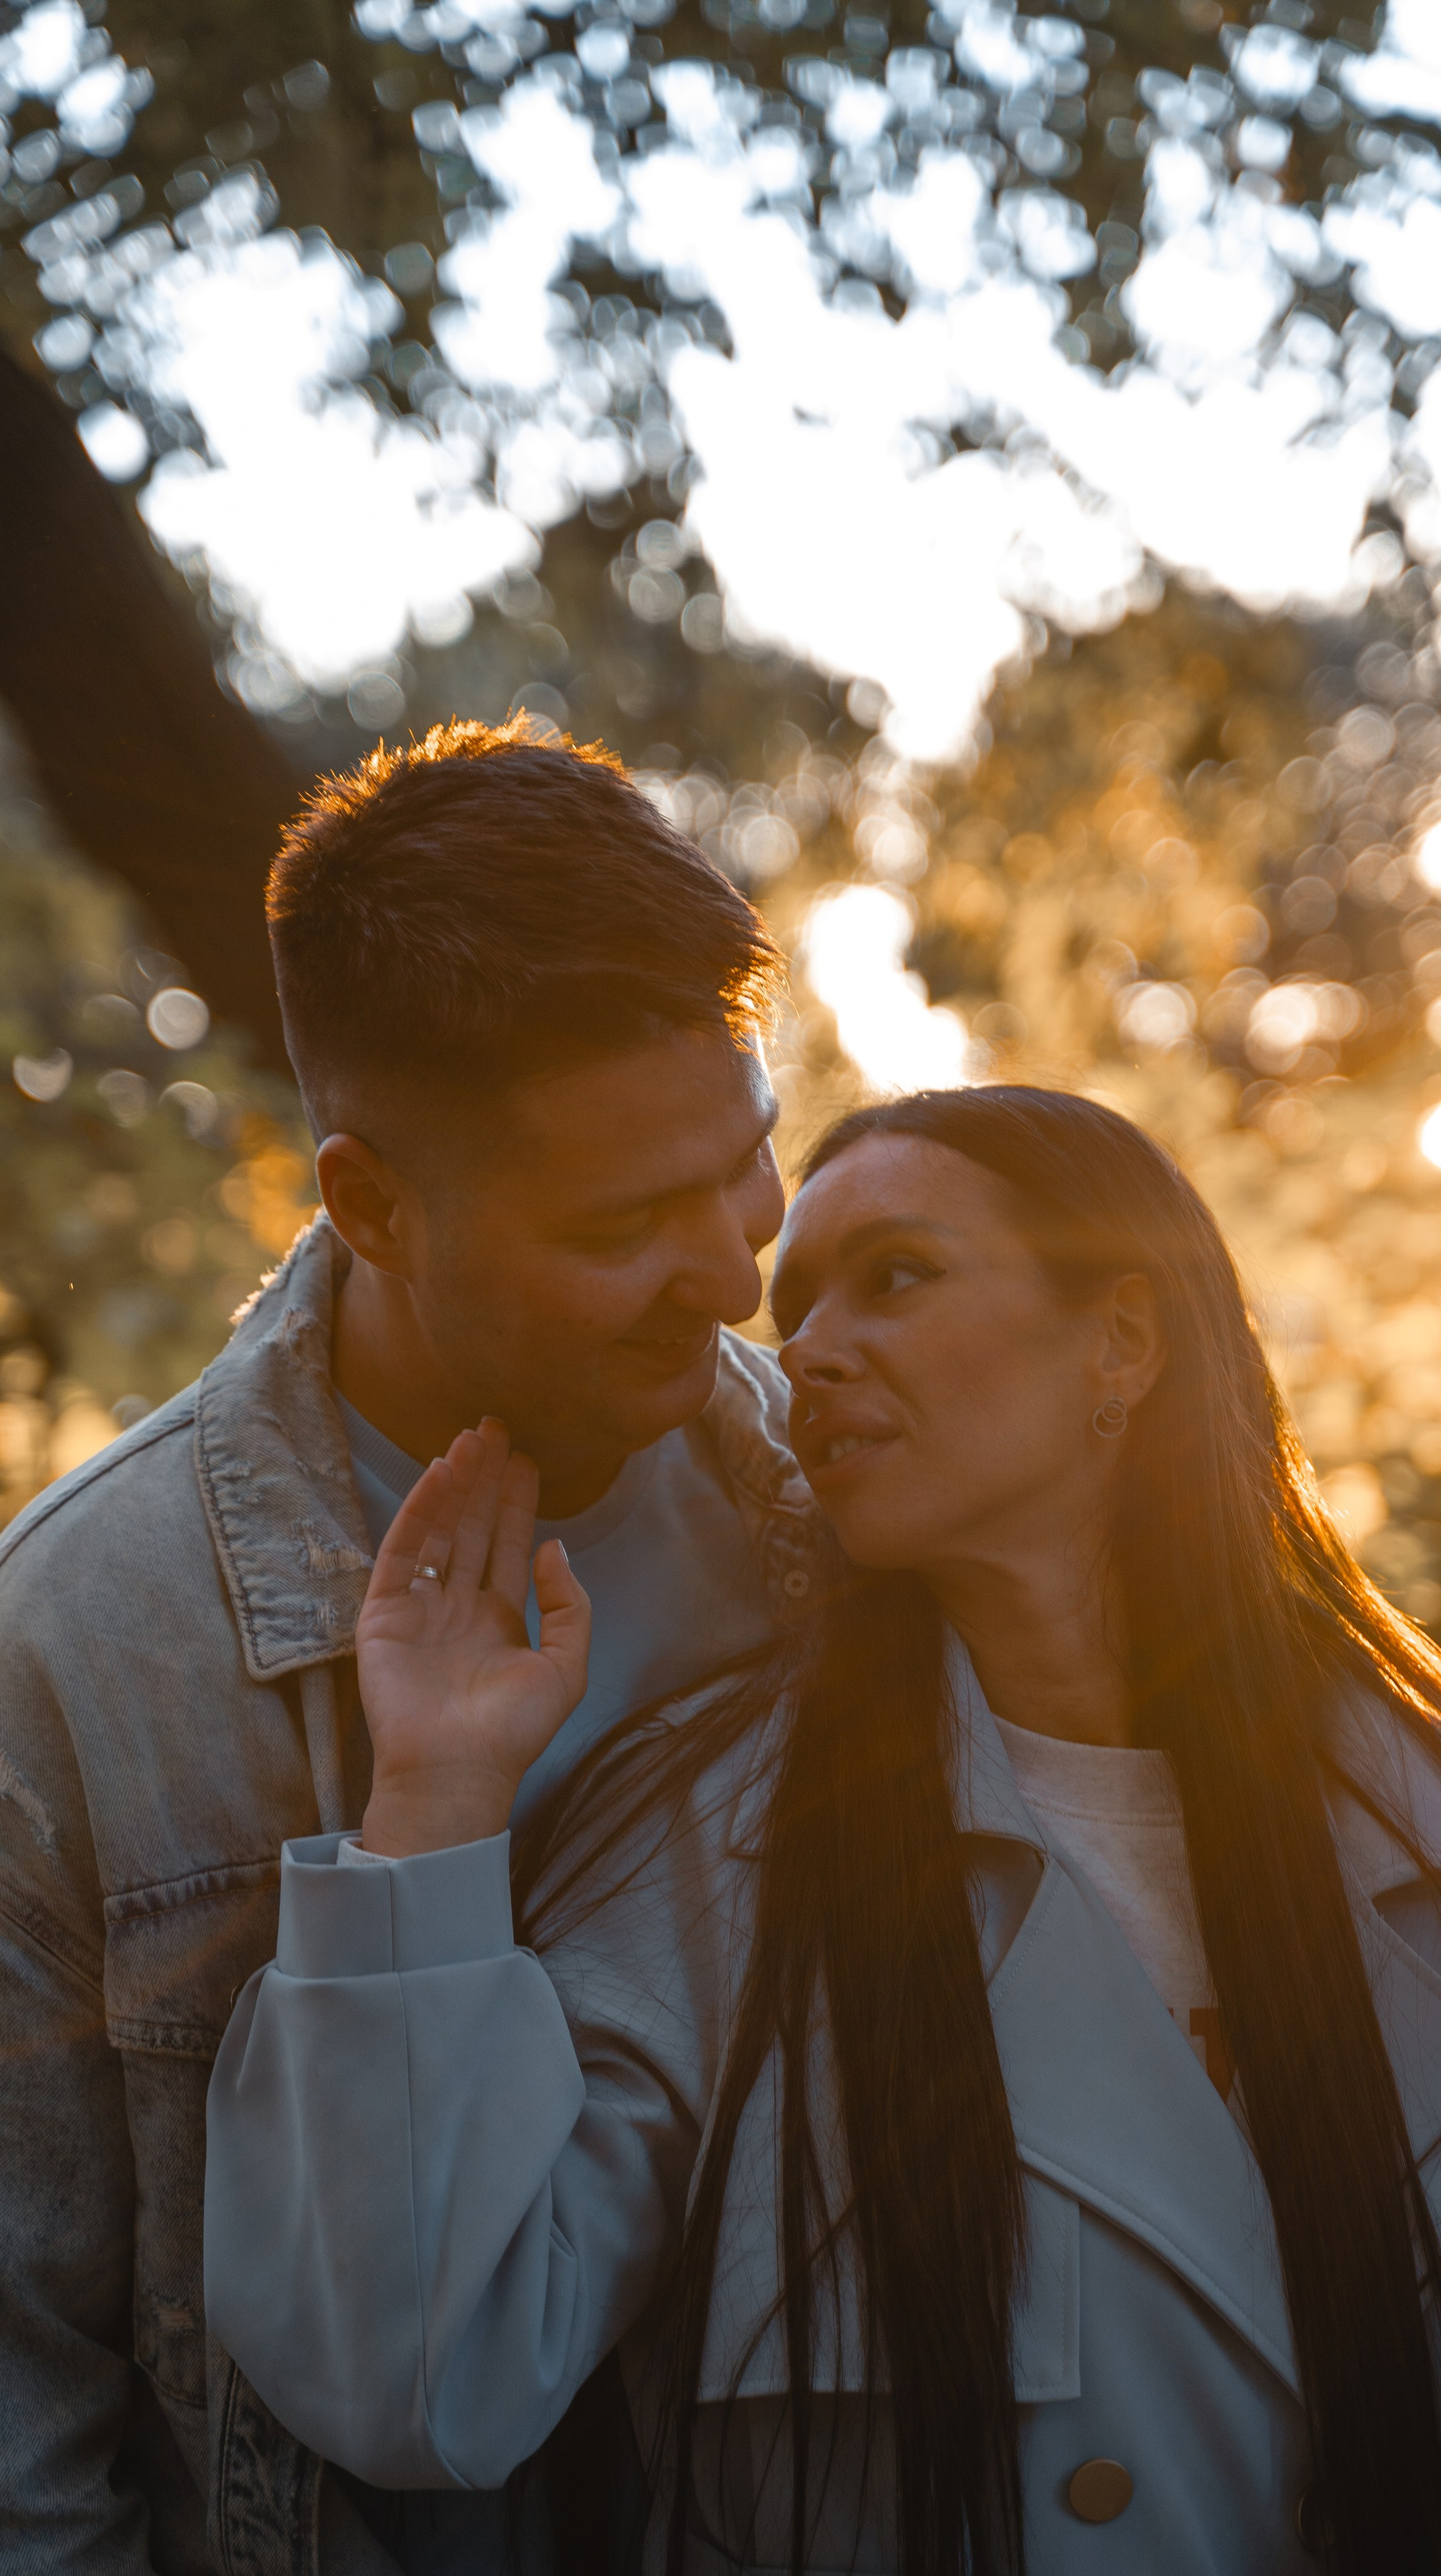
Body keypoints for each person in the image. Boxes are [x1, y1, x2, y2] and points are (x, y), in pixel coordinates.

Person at [206, 1085, 1441, 2576]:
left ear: (1122, 1343)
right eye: (796, 1303)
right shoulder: (719, 1843)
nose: (803, 1352)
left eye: (895, 1278)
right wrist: (433, 1796)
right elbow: (416, 2381)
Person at [0, 720, 826, 2575]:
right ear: (372, 1205)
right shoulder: (76, 1651)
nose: (738, 1272)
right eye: (627, 1224)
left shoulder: (842, 1530)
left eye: (749, 1161)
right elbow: (20, 2421)